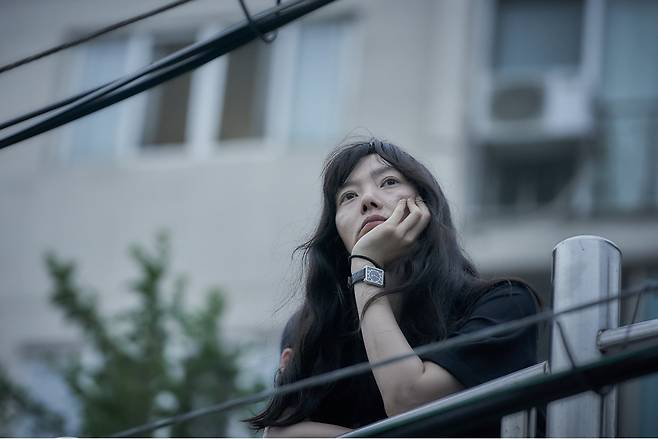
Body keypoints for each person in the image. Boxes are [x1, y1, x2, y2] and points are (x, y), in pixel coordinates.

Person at [246, 139, 540, 437]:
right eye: (348, 196)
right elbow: (278, 434)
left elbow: (409, 399)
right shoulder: (311, 328)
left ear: (425, 205)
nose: (367, 200)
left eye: (388, 182)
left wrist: (366, 265)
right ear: (336, 232)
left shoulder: (505, 303)